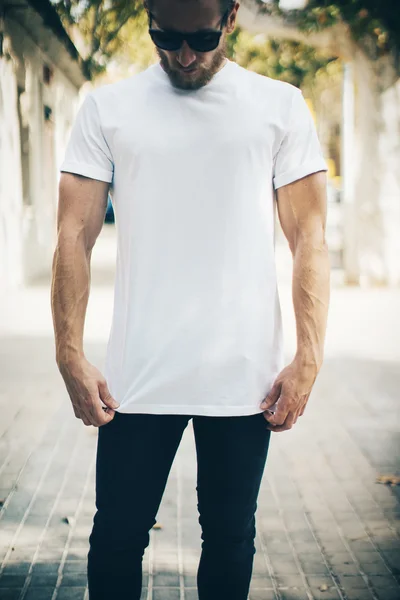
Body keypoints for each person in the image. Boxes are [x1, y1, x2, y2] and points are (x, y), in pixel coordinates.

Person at [50, 0, 331, 598]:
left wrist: (309, 357)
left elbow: (309, 235)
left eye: (202, 38)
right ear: (149, 17)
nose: (184, 55)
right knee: (118, 537)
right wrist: (68, 353)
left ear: (231, 17)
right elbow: (73, 233)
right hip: (136, 377)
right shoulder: (107, 108)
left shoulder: (278, 105)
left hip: (244, 377)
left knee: (231, 537)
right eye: (166, 37)